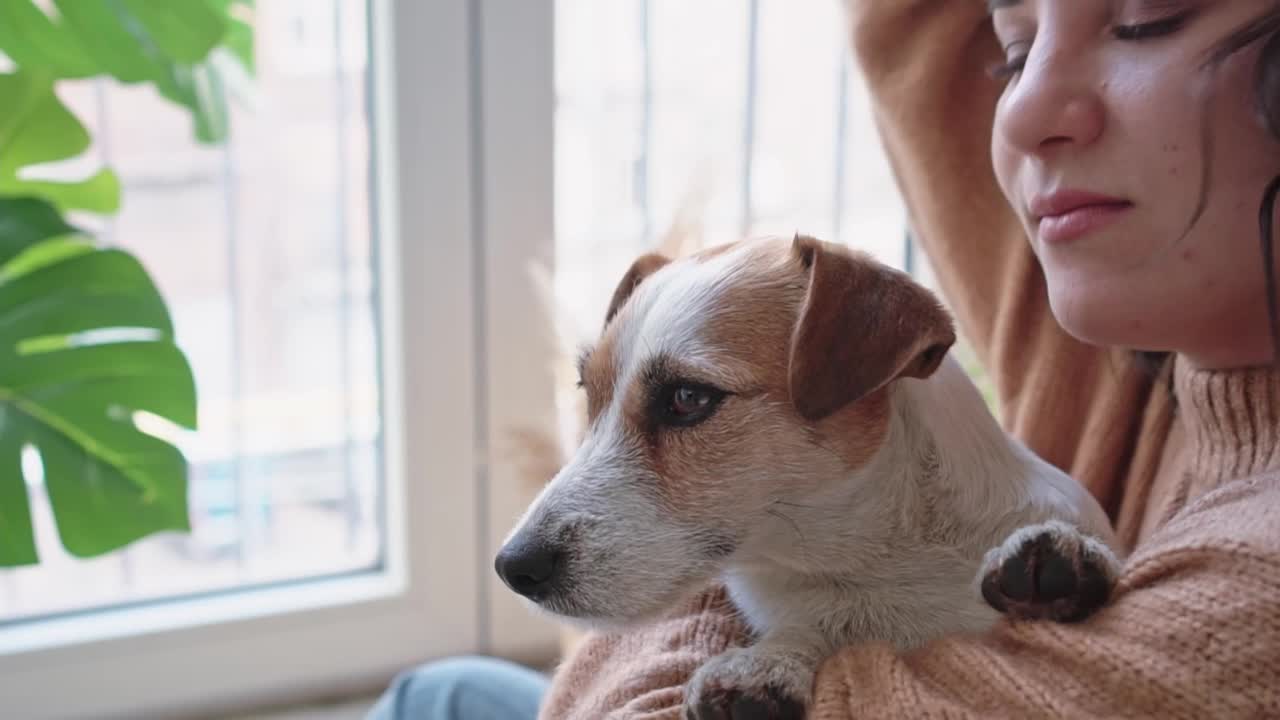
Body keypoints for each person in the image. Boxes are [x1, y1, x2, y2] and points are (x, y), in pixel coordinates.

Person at [537, 1, 1280, 718]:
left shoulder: (1249, 603)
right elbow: (910, 26)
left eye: (1145, 22)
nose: (1019, 113)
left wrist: (702, 570)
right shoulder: (1119, 337)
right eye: (1012, 55)